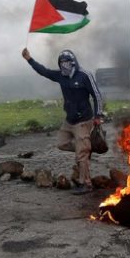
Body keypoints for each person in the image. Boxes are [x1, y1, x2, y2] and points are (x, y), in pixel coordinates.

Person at [22, 47, 103, 195]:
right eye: (61, 62)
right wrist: (29, 59)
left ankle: (86, 184)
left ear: (73, 62)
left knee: (81, 155)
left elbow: (97, 95)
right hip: (69, 120)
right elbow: (44, 71)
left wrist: (98, 116)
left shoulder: (84, 75)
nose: (64, 65)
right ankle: (85, 148)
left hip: (83, 120)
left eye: (67, 62)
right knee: (61, 143)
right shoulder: (60, 76)